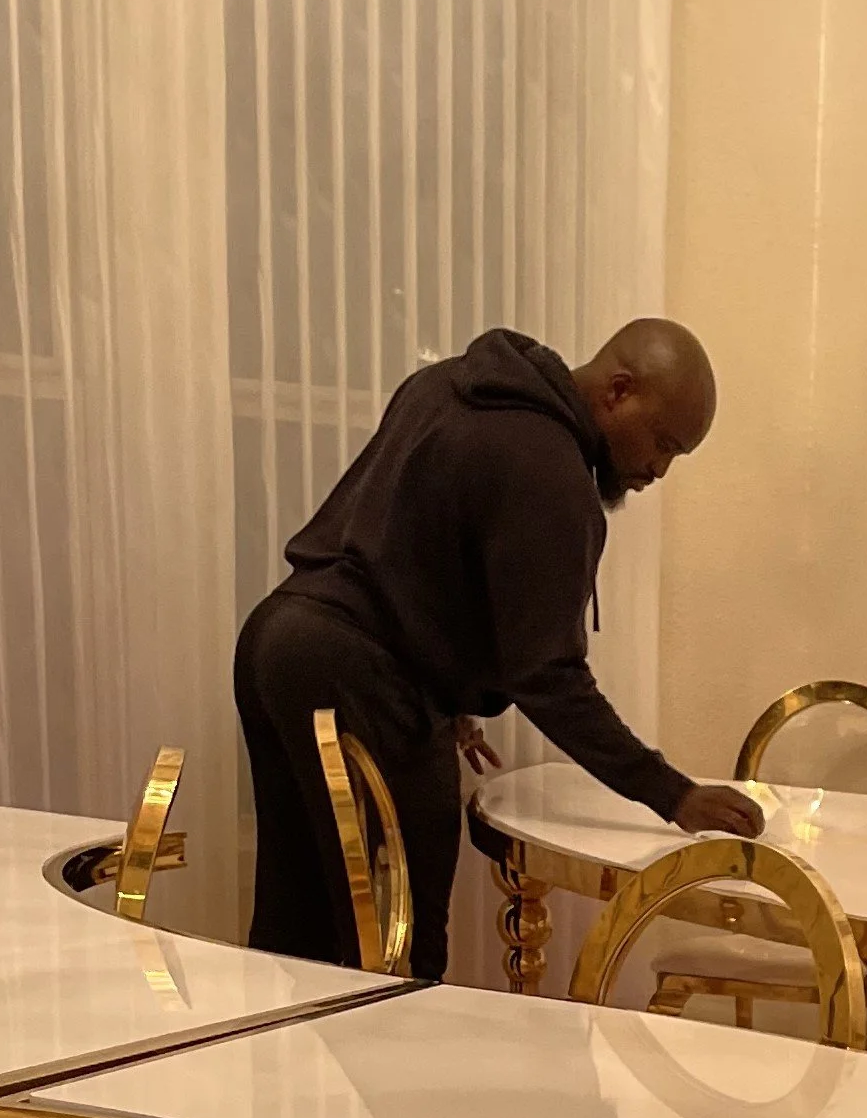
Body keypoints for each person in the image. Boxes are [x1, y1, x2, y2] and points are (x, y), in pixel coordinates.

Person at [235, 317, 761, 982]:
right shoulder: (549, 468)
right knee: (401, 958)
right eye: (662, 444)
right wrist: (672, 793)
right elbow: (549, 675)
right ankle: (387, 1089)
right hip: (362, 680)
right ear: (618, 391)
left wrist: (453, 692)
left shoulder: (445, 386)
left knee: (291, 931)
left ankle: (278, 1086)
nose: (657, 470)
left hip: (278, 644)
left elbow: (406, 548)